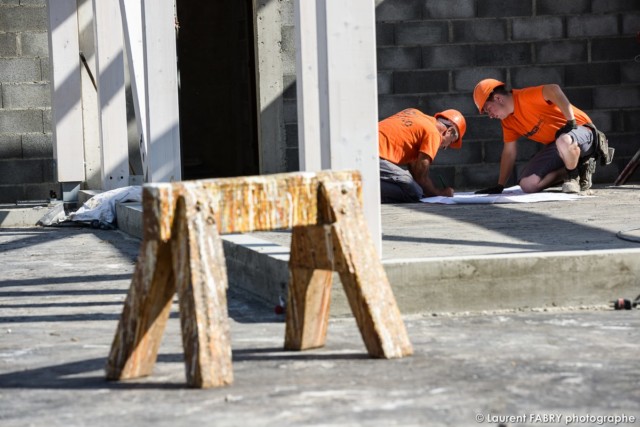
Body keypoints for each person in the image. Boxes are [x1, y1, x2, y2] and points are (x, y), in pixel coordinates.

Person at [472, 79, 613, 194]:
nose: (490, 116)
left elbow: (554, 89)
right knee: (528, 185)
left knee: (563, 140)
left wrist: (570, 121)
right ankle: (578, 168)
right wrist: (500, 185)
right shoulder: (508, 122)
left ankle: (572, 178)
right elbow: (509, 152)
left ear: (498, 98)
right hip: (559, 145)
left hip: (583, 131)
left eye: (488, 109)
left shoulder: (526, 97)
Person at [378, 108, 466, 203]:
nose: (444, 147)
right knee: (413, 191)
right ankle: (365, 191)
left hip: (365, 148)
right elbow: (421, 178)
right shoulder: (433, 133)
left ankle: (365, 187)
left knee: (410, 184)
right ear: (450, 131)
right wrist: (441, 193)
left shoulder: (414, 113)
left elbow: (415, 170)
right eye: (449, 143)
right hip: (373, 156)